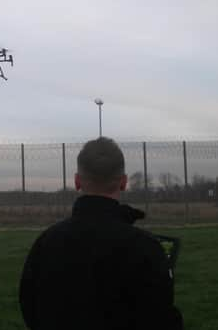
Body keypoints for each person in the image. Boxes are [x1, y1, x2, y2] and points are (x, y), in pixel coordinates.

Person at [19, 137, 183, 330]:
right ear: (123, 182)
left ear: (77, 181)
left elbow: (29, 307)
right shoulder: (147, 248)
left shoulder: (46, 243)